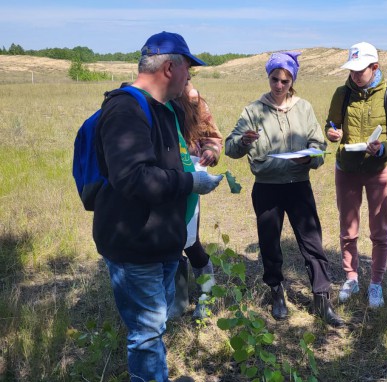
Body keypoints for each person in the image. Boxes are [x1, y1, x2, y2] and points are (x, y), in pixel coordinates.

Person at [93, 31, 223, 382]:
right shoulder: (125, 109)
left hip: (162, 244)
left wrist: (191, 170)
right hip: (135, 247)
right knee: (147, 335)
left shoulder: (165, 111)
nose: (189, 78)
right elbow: (133, 178)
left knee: (155, 326)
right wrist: (190, 182)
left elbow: (167, 168)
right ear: (169, 67)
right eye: (187, 70)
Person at [224, 51, 344, 327]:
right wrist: (243, 141)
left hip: (299, 186)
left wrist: (311, 156)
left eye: (285, 81)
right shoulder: (253, 111)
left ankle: (322, 299)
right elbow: (230, 148)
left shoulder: (304, 108)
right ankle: (277, 293)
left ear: (292, 81)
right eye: (274, 79)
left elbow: (319, 145)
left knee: (312, 243)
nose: (278, 85)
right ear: (268, 77)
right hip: (266, 188)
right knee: (269, 243)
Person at [325, 42, 387, 308]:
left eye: (361, 70)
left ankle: (376, 284)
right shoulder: (341, 93)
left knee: (379, 231)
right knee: (348, 230)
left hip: (377, 170)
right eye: (352, 70)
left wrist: (382, 148)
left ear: (375, 67)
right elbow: (332, 123)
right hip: (346, 169)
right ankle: (351, 277)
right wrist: (332, 133)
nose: (356, 75)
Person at [169, 80, 224, 320]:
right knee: (167, 243)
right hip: (158, 180)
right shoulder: (150, 97)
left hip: (191, 178)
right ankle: (177, 301)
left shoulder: (194, 100)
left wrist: (210, 151)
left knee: (190, 242)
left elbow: (211, 136)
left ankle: (206, 294)